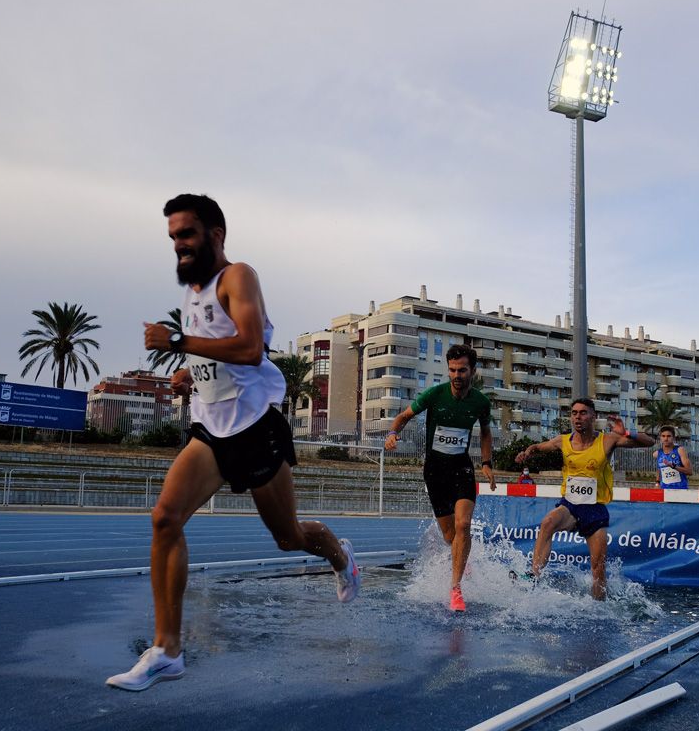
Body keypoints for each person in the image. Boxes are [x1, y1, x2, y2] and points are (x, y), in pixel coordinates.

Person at [107, 194, 360, 691]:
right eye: (173, 237)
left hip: (254, 431)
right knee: (164, 518)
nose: (179, 245)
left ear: (215, 235)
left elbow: (247, 347)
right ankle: (167, 650)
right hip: (210, 430)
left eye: (187, 235)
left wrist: (177, 343)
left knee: (288, 538)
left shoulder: (238, 276)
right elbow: (216, 359)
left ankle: (339, 554)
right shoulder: (195, 291)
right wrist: (189, 376)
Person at [385, 343, 493, 612]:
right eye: (453, 370)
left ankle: (455, 589)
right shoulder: (435, 394)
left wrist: (488, 462)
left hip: (462, 468)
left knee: (463, 525)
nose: (457, 376)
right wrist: (392, 434)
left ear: (473, 371)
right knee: (449, 534)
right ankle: (460, 562)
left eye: (462, 370)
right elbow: (402, 416)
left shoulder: (480, 402)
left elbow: (486, 432)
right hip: (435, 471)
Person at [516, 399, 654, 599]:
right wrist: (528, 452)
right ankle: (534, 575)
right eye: (574, 413)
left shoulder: (607, 440)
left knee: (598, 568)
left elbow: (649, 442)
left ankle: (600, 607)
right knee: (547, 522)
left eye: (583, 413)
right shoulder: (563, 441)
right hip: (570, 505)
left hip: (594, 509)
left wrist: (625, 432)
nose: (577, 417)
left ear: (593, 417)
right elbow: (538, 447)